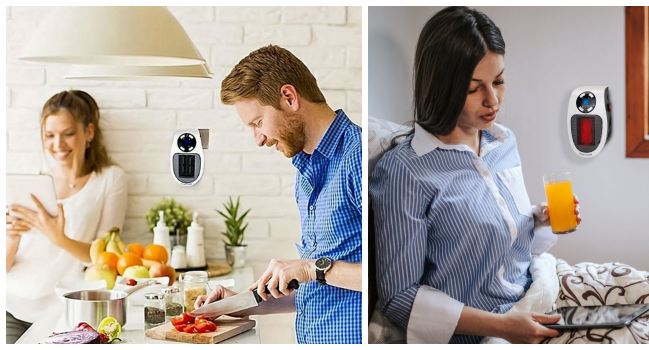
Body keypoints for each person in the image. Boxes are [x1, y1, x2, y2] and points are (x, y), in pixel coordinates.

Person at [369, 7, 582, 344]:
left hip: (536, 295)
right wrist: (503, 327)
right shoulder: (406, 171)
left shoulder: (503, 142)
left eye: (498, 80)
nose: (492, 99)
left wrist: (540, 219)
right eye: (474, 88)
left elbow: (504, 236)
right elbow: (400, 299)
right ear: (442, 86)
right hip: (486, 332)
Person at [195, 45, 362, 344]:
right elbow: (323, 289)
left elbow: (395, 278)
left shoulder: (360, 158)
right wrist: (241, 304)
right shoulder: (307, 169)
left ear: (289, 97)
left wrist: (311, 267)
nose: (258, 139)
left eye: (258, 123)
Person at [5, 90, 128, 344]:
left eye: (68, 133)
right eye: (49, 135)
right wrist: (11, 237)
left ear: (89, 132)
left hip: (64, 311)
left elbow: (108, 259)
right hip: (11, 304)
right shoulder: (30, 178)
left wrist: (58, 238)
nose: (58, 145)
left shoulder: (109, 179)